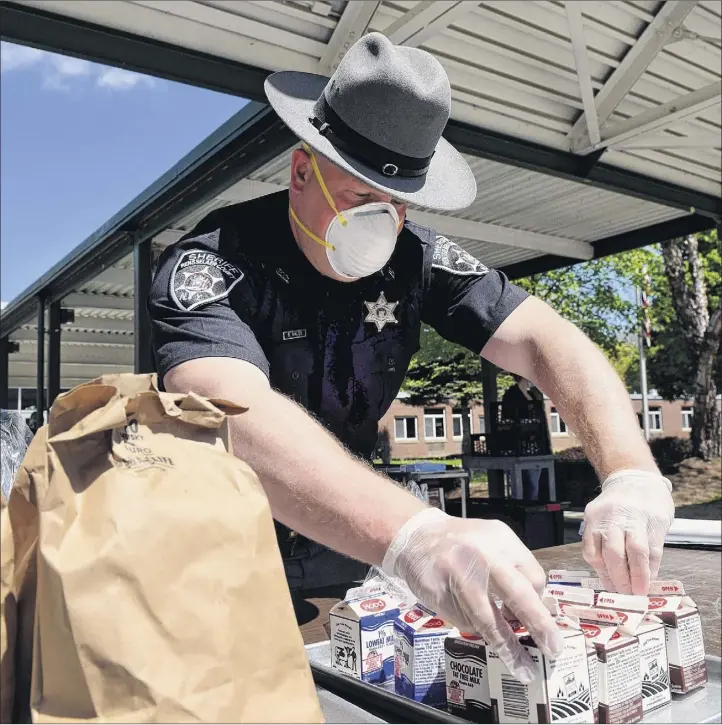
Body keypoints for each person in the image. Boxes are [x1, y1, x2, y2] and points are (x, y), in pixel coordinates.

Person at [147, 32, 674, 683]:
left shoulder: (415, 258)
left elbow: (546, 338)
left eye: (398, 201)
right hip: (214, 576)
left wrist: (627, 471)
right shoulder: (211, 264)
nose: (381, 221)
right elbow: (233, 413)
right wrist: (416, 533)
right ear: (302, 171)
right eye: (360, 193)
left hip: (347, 567)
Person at [500, 374, 549, 499]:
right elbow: (508, 420)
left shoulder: (532, 395)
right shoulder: (511, 394)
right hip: (519, 444)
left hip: (534, 444)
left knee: (534, 482)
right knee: (522, 482)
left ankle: (533, 505)